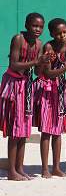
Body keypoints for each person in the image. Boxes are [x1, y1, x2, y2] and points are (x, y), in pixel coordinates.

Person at [0, 12, 46, 180]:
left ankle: (20, 168)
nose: (37, 29)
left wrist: (44, 63)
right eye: (34, 26)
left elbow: (38, 71)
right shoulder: (18, 39)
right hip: (14, 85)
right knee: (14, 128)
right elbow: (13, 64)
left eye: (40, 27)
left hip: (26, 86)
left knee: (24, 128)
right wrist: (35, 62)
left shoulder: (39, 44)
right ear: (26, 25)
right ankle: (12, 171)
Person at [35, 18, 66, 178]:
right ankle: (45, 168)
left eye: (64, 32)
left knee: (58, 130)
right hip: (47, 89)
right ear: (52, 34)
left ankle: (57, 167)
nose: (62, 35)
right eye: (58, 33)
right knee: (47, 130)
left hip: (61, 90)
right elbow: (47, 73)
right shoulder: (49, 47)